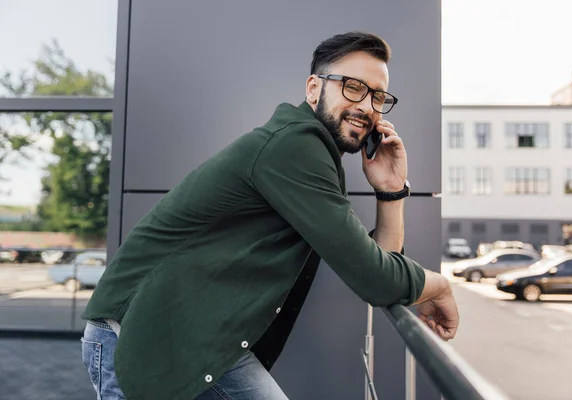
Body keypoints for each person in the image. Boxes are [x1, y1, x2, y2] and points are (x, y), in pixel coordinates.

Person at [80, 31, 459, 400]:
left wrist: (391, 190)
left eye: (377, 96)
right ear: (313, 88)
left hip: (201, 341)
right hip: (145, 335)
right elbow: (376, 278)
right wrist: (439, 285)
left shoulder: (309, 155)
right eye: (353, 87)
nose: (366, 106)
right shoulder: (294, 146)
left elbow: (376, 263)